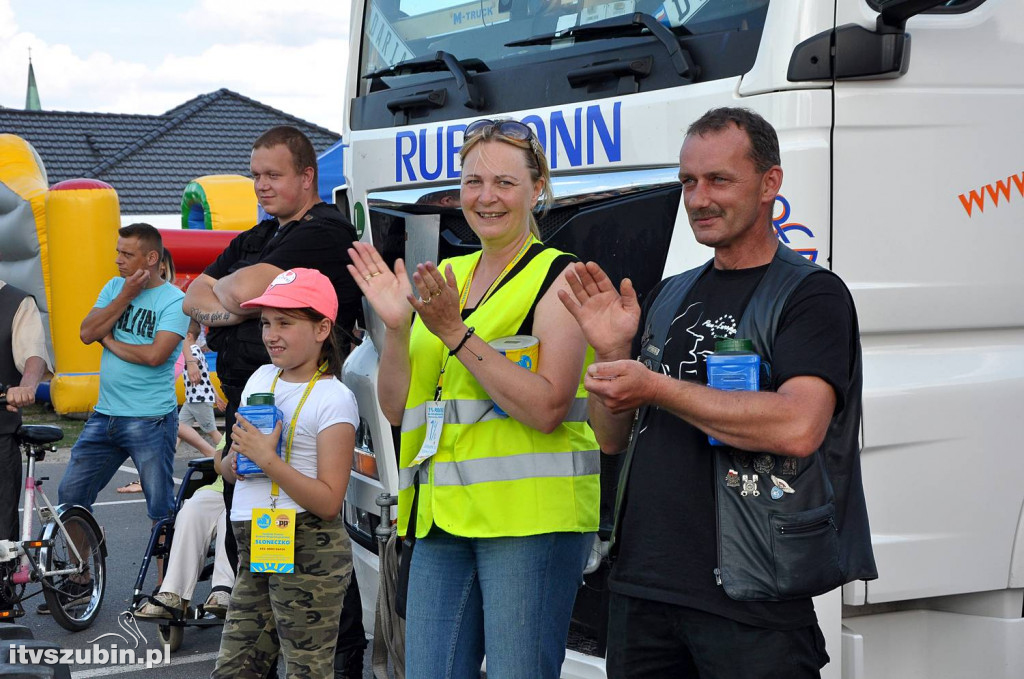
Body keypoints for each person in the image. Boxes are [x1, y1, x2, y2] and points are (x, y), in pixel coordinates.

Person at [559, 107, 877, 678]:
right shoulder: (670, 294)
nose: (699, 199)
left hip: (752, 598)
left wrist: (657, 386)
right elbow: (612, 441)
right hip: (641, 590)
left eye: (718, 180)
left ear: (770, 183)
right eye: (688, 182)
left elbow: (798, 426)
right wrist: (611, 356)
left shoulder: (811, 296)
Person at [348, 118, 600, 678]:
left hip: (529, 525)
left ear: (538, 190)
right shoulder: (447, 275)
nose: (486, 197)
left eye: (505, 184)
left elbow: (547, 406)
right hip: (440, 520)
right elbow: (396, 408)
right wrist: (395, 327)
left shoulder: (559, 279)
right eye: (472, 182)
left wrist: (456, 334)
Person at [181, 125, 367, 674]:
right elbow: (197, 297)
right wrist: (226, 305)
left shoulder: (323, 231)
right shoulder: (256, 237)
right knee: (250, 628)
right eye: (255, 174)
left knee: (318, 638)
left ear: (307, 176)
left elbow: (233, 292)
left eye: (273, 175)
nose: (260, 185)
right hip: (253, 420)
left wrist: (232, 300)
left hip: (305, 441)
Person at [212, 267, 357, 678]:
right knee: (236, 668)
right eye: (265, 323)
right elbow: (227, 465)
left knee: (306, 670)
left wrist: (268, 459)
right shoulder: (261, 378)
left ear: (322, 328)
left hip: (309, 541)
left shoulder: (334, 398)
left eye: (285, 323)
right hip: (257, 536)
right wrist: (233, 459)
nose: (271, 334)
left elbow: (330, 501)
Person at [51, 224, 189, 612]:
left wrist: (109, 340)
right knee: (71, 496)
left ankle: (168, 591)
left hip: (150, 420)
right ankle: (81, 576)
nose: (117, 260)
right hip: (104, 416)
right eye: (117, 252)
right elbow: (85, 332)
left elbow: (154, 356)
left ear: (151, 259)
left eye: (126, 255)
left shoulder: (173, 300)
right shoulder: (115, 288)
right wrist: (125, 295)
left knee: (160, 508)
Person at [135, 437, 233, 620]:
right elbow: (218, 460)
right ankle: (173, 593)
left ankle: (223, 590)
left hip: (259, 492)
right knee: (189, 511)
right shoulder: (241, 413)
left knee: (231, 518)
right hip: (223, 487)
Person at [0, 281, 53, 545]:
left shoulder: (16, 302)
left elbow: (33, 356)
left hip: (1, 429)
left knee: (1, 538)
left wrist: (26, 387)